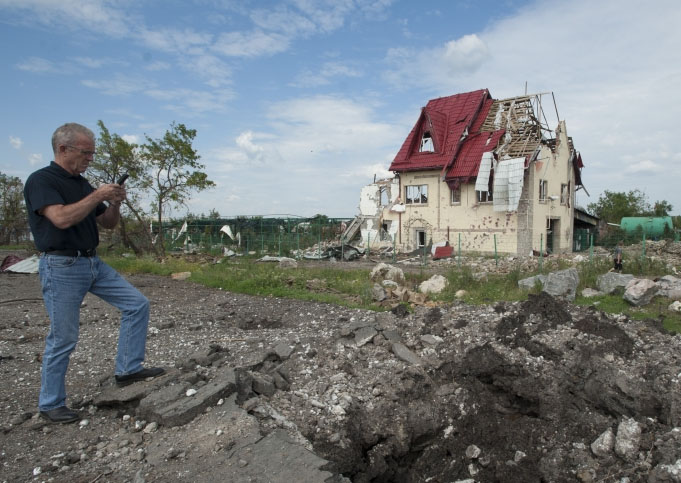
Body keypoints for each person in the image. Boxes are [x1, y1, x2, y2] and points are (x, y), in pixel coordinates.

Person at [24, 123, 164, 424]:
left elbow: (108, 223)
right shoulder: (41, 181)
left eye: (92, 153)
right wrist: (96, 194)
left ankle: (128, 369)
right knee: (64, 336)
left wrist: (113, 203)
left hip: (92, 263)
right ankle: (50, 404)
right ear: (63, 149)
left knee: (137, 304)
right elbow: (60, 218)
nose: (90, 158)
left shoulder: (83, 184)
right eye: (86, 152)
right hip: (61, 266)